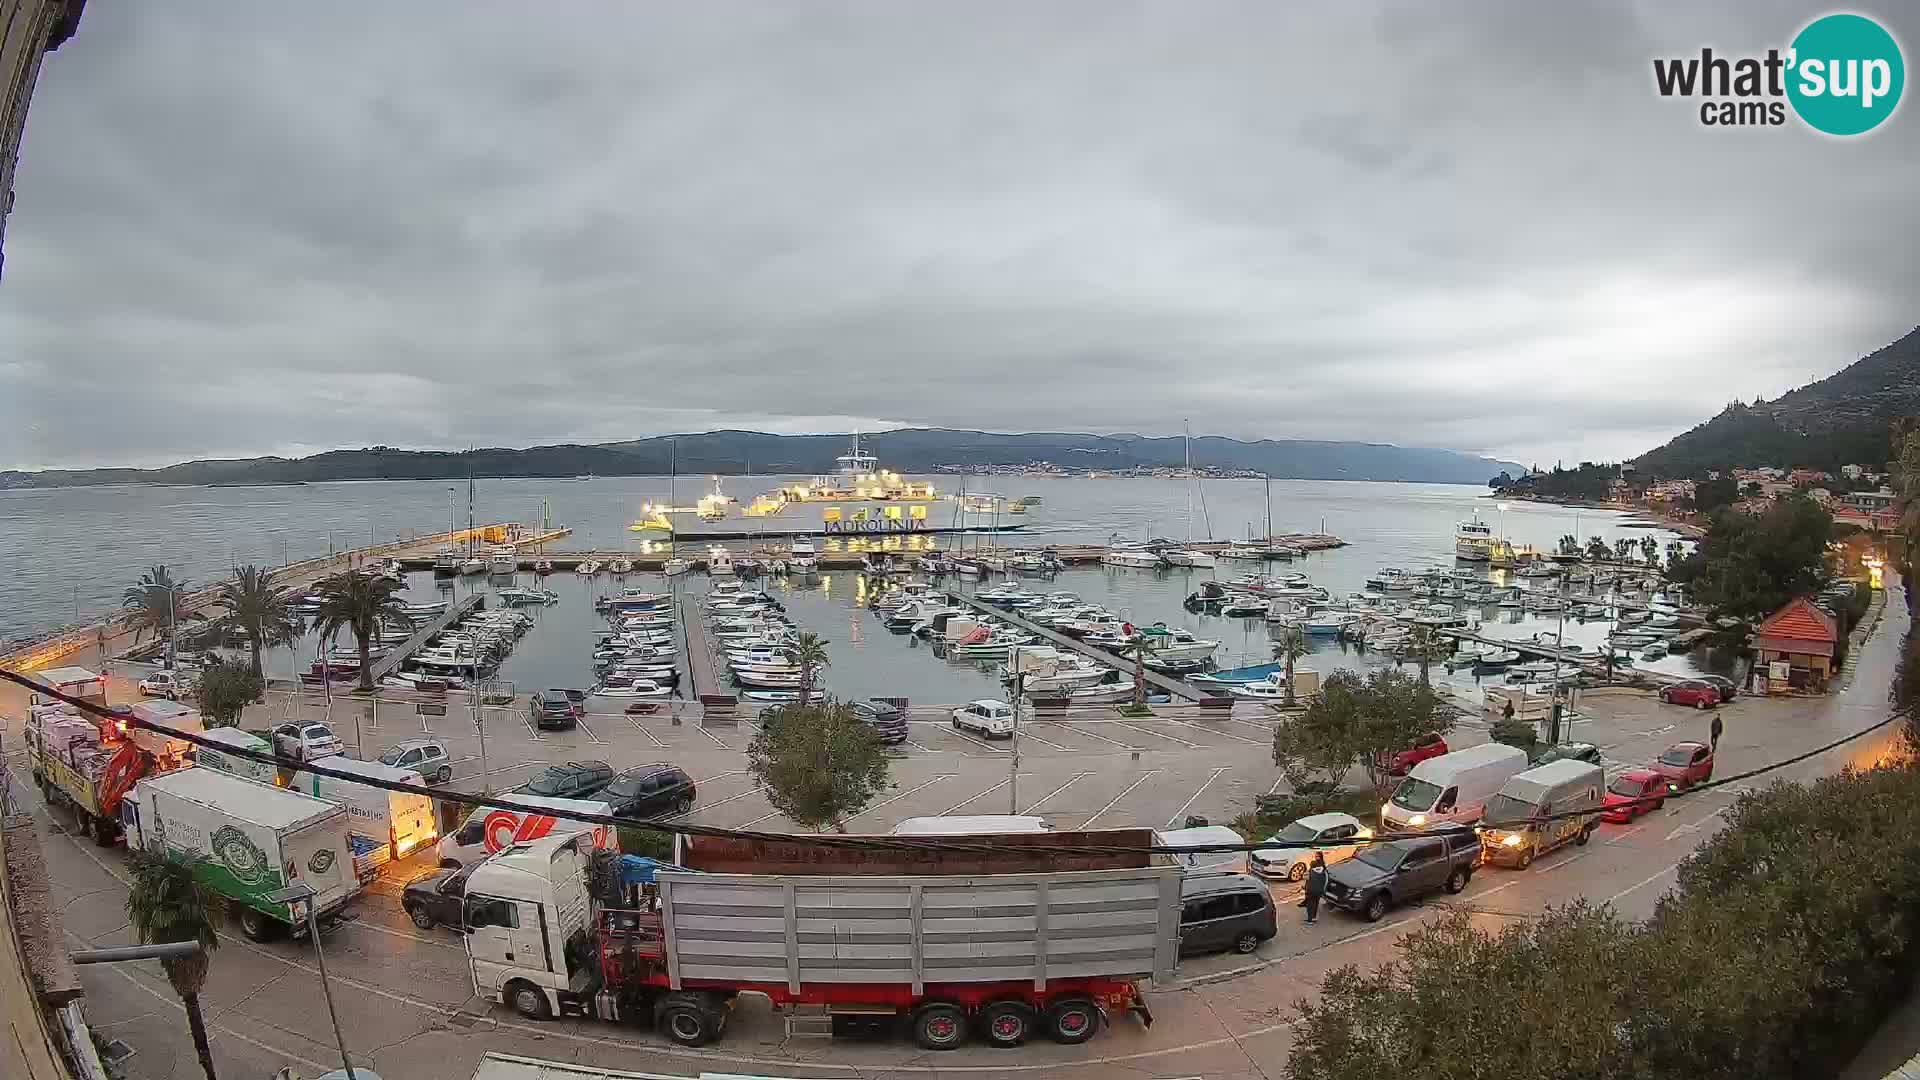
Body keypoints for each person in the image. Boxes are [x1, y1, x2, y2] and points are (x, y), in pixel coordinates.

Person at [1303, 852, 1328, 925]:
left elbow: (1307, 880)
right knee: (1316, 903)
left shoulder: (1311, 871)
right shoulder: (1323, 868)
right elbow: (1325, 879)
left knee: (1310, 905)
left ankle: (1310, 920)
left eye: (1317, 856)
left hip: (1311, 890)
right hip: (1319, 890)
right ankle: (1314, 917)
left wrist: (1305, 888)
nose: (1316, 857)